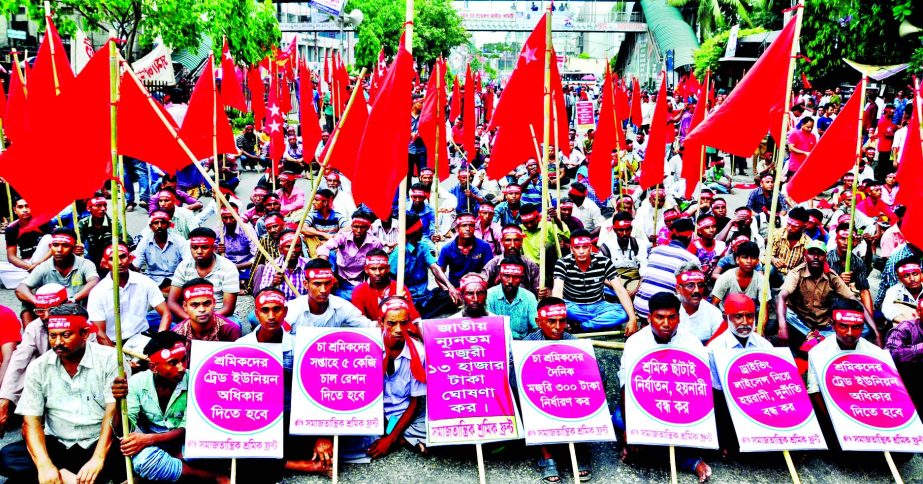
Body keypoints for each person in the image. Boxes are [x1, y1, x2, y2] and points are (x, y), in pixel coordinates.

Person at [0, 304, 125, 483]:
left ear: (85, 333)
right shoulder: (38, 367)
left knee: (133, 457)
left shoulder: (111, 360)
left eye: (66, 335)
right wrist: (44, 465)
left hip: (99, 442)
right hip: (58, 443)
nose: (57, 342)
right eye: (53, 335)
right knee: (7, 456)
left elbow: (112, 415)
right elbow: (31, 420)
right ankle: (67, 477)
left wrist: (97, 459)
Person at [110, 332, 230, 482]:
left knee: (207, 449)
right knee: (144, 459)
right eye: (173, 363)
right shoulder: (136, 383)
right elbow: (122, 430)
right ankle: (208, 476)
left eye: (184, 359)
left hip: (184, 444)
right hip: (153, 448)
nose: (181, 367)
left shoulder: (197, 381)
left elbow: (188, 429)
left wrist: (149, 440)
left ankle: (159, 471)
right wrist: (118, 401)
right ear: (153, 367)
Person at [618, 292, 712, 482]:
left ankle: (648, 452)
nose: (666, 323)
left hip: (681, 407)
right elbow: (626, 386)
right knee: (619, 420)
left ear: (679, 317)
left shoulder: (692, 343)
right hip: (645, 408)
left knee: (706, 430)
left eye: (672, 317)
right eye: (659, 317)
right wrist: (631, 427)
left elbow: (701, 390)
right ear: (649, 317)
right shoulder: (635, 342)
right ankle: (690, 461)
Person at [807, 299, 893, 452]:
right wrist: (837, 422)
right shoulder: (818, 352)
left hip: (868, 409)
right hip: (834, 409)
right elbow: (814, 391)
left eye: (856, 327)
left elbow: (886, 392)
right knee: (840, 449)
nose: (849, 333)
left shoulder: (875, 354)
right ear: (832, 325)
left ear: (862, 327)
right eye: (843, 326)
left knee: (903, 455)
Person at [522, 297, 593, 482]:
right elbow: (514, 378)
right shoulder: (526, 344)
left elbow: (595, 375)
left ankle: (578, 448)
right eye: (551, 321)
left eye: (562, 321)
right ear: (538, 322)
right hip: (540, 399)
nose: (557, 327)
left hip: (570, 399)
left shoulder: (574, 342)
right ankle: (547, 455)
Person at [0, 284, 78, 431]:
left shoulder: (82, 326)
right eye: (41, 311)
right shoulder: (34, 327)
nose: (47, 316)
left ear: (67, 304)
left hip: (77, 382)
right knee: (28, 364)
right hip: (46, 383)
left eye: (53, 309)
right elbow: (18, 362)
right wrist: (4, 399)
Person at [776, 239, 881, 346]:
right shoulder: (796, 273)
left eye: (820, 254)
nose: (816, 257)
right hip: (801, 323)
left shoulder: (832, 276)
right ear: (805, 257)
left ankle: (818, 339)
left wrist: (876, 332)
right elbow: (781, 297)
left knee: (866, 328)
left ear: (825, 257)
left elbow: (855, 301)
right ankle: (811, 336)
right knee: (785, 312)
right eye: (812, 253)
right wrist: (782, 326)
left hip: (824, 325)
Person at [706, 294, 772, 454]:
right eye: (738, 317)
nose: (745, 322)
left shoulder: (765, 346)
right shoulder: (714, 348)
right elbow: (717, 395)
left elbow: (772, 389)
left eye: (749, 316)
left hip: (759, 405)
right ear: (725, 317)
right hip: (727, 407)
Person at [88, 243, 170, 351]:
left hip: (140, 339)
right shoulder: (97, 292)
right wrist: (121, 359)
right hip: (110, 345)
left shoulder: (145, 282)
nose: (119, 263)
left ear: (130, 258)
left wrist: (157, 343)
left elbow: (166, 314)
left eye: (122, 256)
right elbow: (100, 335)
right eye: (112, 259)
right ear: (105, 264)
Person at [552, 229, 637, 332]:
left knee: (624, 313)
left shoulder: (604, 261)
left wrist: (633, 318)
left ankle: (582, 326)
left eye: (585, 247)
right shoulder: (562, 263)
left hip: (598, 305)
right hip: (573, 306)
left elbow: (620, 290)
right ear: (571, 249)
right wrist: (559, 317)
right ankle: (601, 323)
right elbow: (557, 290)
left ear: (591, 247)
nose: (581, 251)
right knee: (563, 308)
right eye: (577, 247)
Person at [16, 228, 100, 324]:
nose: (59, 250)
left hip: (76, 308)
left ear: (73, 248)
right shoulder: (43, 267)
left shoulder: (85, 264)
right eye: (55, 245)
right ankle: (29, 337)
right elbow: (20, 288)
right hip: (50, 310)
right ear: (50, 246)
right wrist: (38, 302)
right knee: (26, 303)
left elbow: (94, 281)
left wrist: (73, 299)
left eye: (65, 245)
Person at [389, 214, 460, 319]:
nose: (423, 231)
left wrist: (450, 287)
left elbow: (435, 268)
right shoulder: (398, 253)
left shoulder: (423, 247)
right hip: (408, 299)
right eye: (421, 229)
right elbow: (390, 279)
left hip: (425, 297)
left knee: (451, 295)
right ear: (417, 231)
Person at [633, 218, 700, 321]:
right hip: (661, 312)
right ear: (689, 236)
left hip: (639, 306)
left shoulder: (654, 250)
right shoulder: (692, 259)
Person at [168, 227, 240, 322]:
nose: (199, 251)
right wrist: (192, 320)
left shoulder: (228, 267)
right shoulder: (183, 266)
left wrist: (202, 321)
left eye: (204, 247)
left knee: (234, 325)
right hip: (189, 315)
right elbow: (172, 302)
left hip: (218, 315)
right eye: (194, 247)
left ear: (213, 248)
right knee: (154, 317)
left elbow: (228, 309)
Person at [285, 258, 373, 333]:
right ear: (305, 284)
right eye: (317, 284)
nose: (323, 290)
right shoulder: (292, 310)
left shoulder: (341, 306)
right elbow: (277, 339)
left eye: (327, 283)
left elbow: (368, 326)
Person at [316, 210, 383, 300]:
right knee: (330, 254)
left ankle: (338, 295)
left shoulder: (375, 243)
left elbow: (379, 262)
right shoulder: (343, 236)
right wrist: (330, 274)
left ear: (368, 228)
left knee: (353, 297)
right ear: (351, 226)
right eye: (356, 227)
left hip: (356, 280)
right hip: (338, 273)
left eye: (362, 227)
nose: (358, 231)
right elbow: (323, 248)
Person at [171, 279, 241, 354]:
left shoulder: (229, 330)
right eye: (195, 304)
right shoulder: (177, 333)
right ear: (185, 306)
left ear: (214, 303)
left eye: (207, 303)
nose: (202, 309)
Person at [0, 198, 53, 290]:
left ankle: (34, 278)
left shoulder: (45, 222)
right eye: (20, 207)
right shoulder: (11, 228)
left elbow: (55, 247)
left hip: (46, 261)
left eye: (27, 206)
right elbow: (11, 257)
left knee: (48, 237)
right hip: (27, 264)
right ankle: (38, 277)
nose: (24, 210)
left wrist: (38, 264)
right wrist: (30, 267)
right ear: (15, 210)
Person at [132, 210, 188, 293]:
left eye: (163, 223)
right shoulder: (144, 242)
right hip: (152, 281)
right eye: (156, 223)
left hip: (176, 280)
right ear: (151, 226)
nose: (159, 226)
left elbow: (187, 263)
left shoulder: (180, 241)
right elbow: (136, 266)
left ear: (168, 225)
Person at [482, 225, 544, 297]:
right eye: (508, 240)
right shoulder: (492, 264)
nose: (512, 245)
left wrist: (542, 293)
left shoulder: (530, 265)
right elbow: (481, 287)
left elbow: (537, 291)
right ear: (502, 241)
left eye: (516, 240)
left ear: (521, 241)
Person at [885, 293, 923, 408]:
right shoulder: (905, 328)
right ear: (918, 312)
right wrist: (920, 348)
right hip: (911, 382)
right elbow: (890, 354)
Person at [826, 224, 874, 314]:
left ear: (855, 241)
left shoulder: (858, 262)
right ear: (836, 240)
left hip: (850, 303)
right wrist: (838, 281)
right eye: (842, 239)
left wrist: (871, 321)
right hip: (827, 305)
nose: (846, 242)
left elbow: (864, 291)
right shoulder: (826, 260)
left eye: (850, 239)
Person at [486, 257, 538, 339]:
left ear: (522, 277)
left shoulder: (529, 297)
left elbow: (536, 327)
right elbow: (488, 328)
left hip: (523, 344)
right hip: (497, 342)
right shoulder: (489, 295)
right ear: (500, 275)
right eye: (506, 276)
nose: (510, 281)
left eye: (515, 277)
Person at [438, 212, 494, 288]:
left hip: (478, 287)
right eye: (464, 226)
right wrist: (449, 290)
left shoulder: (484, 246)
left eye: (471, 225)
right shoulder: (447, 248)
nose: (468, 229)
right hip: (456, 288)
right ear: (457, 228)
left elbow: (490, 271)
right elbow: (439, 274)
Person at [253, 229, 309, 301]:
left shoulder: (307, 265)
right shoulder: (271, 266)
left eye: (297, 246)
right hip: (279, 308)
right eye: (289, 247)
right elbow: (263, 294)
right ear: (280, 249)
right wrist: (273, 284)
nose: (294, 250)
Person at [674, 262, 723, 344]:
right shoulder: (667, 309)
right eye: (690, 285)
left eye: (700, 285)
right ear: (678, 288)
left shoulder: (714, 314)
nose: (697, 290)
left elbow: (718, 346)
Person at [709, 241, 763, 309]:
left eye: (753, 258)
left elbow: (764, 308)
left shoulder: (761, 280)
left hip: (749, 316)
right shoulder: (726, 277)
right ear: (737, 259)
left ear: (757, 261)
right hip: (726, 315)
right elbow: (714, 305)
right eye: (745, 257)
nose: (749, 261)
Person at [215, 203, 256, 288]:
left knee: (258, 271)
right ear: (221, 218)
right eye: (225, 218)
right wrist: (217, 251)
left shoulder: (247, 229)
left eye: (232, 217)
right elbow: (211, 254)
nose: (229, 221)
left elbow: (256, 254)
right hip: (226, 267)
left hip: (246, 266)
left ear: (237, 216)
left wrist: (236, 267)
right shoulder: (218, 231)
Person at [769, 207, 812, 281]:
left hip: (793, 278)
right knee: (769, 269)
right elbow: (764, 255)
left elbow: (806, 266)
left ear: (803, 227)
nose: (789, 228)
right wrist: (773, 259)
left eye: (795, 226)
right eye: (788, 224)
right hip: (775, 273)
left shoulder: (808, 243)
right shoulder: (777, 234)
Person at [301, 189, 348, 256]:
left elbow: (348, 227)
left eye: (316, 200)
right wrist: (323, 234)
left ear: (325, 203)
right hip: (317, 244)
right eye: (313, 199)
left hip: (332, 244)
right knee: (308, 235)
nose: (313, 202)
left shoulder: (337, 215)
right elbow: (302, 228)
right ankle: (316, 258)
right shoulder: (312, 214)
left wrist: (336, 235)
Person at [881, 258, 922, 326]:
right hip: (904, 328)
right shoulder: (894, 291)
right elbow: (887, 310)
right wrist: (912, 323)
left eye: (915, 274)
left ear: (921, 274)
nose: (912, 279)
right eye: (906, 275)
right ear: (900, 279)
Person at [77, 196, 112, 272]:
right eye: (98, 206)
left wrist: (108, 255)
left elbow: (126, 240)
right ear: (89, 208)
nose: (103, 209)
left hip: (110, 255)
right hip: (91, 255)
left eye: (105, 205)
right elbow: (78, 241)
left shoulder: (113, 222)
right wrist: (77, 247)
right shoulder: (83, 223)